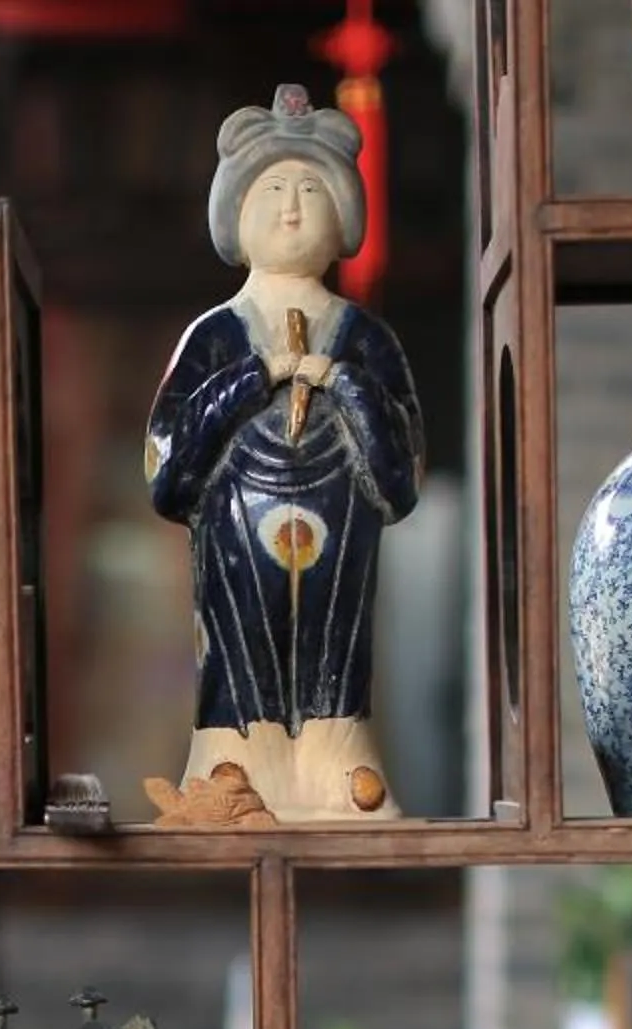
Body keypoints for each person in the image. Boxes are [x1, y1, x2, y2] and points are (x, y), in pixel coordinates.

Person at [143, 83, 424, 825]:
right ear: (235, 212)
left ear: (345, 215)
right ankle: (234, 765)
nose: (292, 208)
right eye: (272, 190)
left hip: (342, 530)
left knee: (337, 643)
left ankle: (344, 764)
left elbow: (403, 472)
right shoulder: (214, 335)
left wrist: (342, 384)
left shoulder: (365, 337)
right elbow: (168, 470)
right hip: (236, 527)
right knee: (238, 642)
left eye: (309, 190)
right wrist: (252, 378)